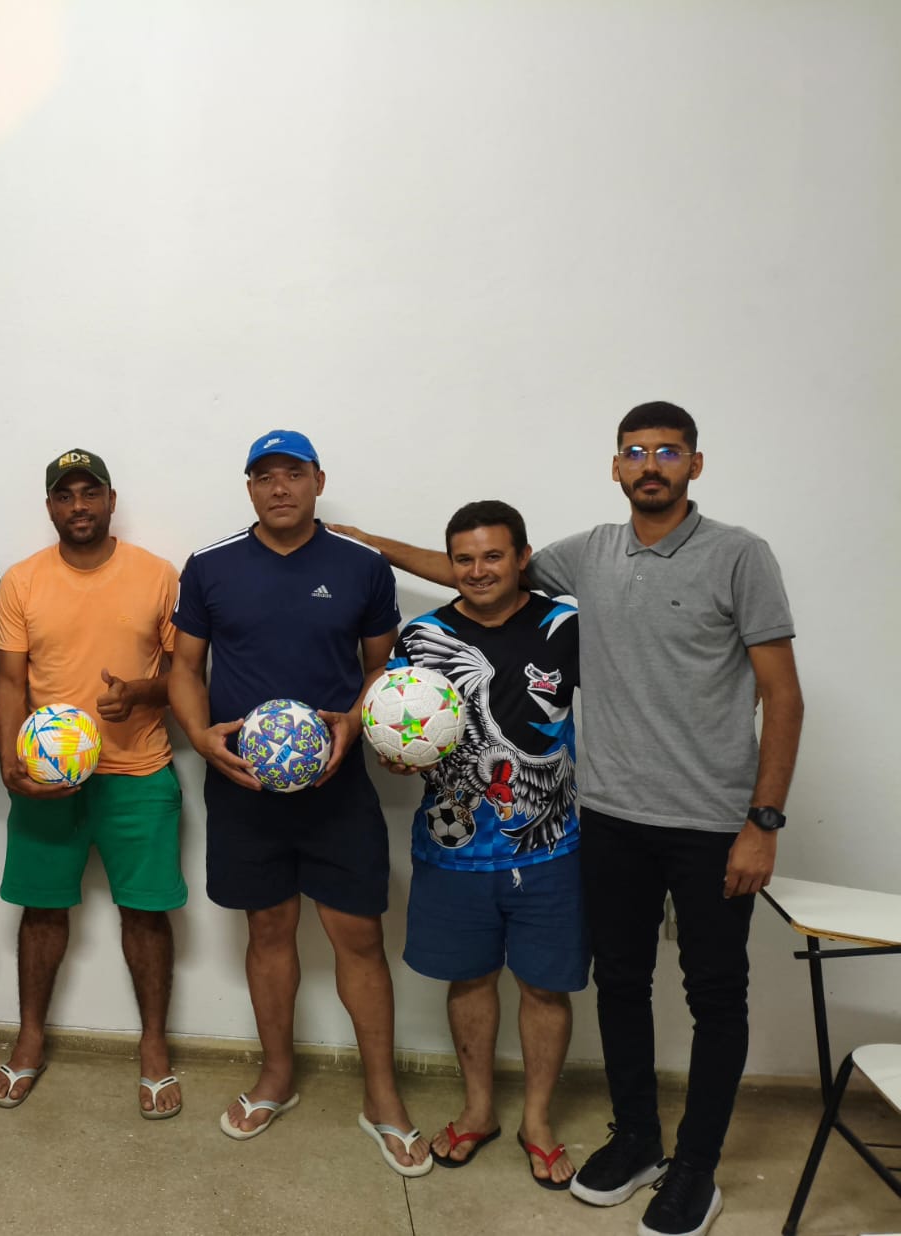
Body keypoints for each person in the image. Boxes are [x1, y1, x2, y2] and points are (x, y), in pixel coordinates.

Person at [336, 402, 803, 1236]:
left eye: (667, 451)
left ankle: (695, 1167)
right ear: (615, 466)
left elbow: (783, 695)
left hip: (709, 822)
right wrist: (370, 542)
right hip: (612, 819)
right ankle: (639, 1142)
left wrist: (762, 820)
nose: (649, 464)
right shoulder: (589, 554)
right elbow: (470, 573)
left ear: (694, 464)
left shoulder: (737, 555)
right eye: (635, 451)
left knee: (714, 993)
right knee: (620, 983)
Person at [167, 429, 431, 1176]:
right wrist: (202, 737)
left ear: (318, 479)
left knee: (358, 936)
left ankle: (382, 1096)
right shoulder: (211, 565)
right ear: (249, 487)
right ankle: (276, 1077)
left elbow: (381, 667)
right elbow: (185, 668)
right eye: (264, 476)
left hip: (335, 788)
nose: (279, 487)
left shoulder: (361, 566)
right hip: (244, 787)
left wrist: (354, 722)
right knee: (269, 930)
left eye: (292, 473)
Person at [382, 500, 584, 1188]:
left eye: (493, 556)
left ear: (522, 558)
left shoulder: (566, 625)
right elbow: (392, 723)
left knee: (545, 986)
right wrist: (396, 753)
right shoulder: (422, 636)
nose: (478, 571)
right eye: (463, 559)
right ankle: (478, 1111)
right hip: (453, 850)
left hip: (550, 847)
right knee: (468, 979)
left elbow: (628, 702)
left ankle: (537, 1122)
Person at [0, 449, 187, 1117]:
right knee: (41, 912)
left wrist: (140, 692)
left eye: (90, 492)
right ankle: (29, 1039)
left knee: (146, 913)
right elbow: (9, 682)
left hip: (140, 770)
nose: (79, 505)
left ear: (110, 500)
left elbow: (187, 676)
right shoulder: (22, 581)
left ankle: (154, 1047)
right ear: (50, 505)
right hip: (48, 778)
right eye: (65, 494)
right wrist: (11, 765)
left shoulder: (157, 575)